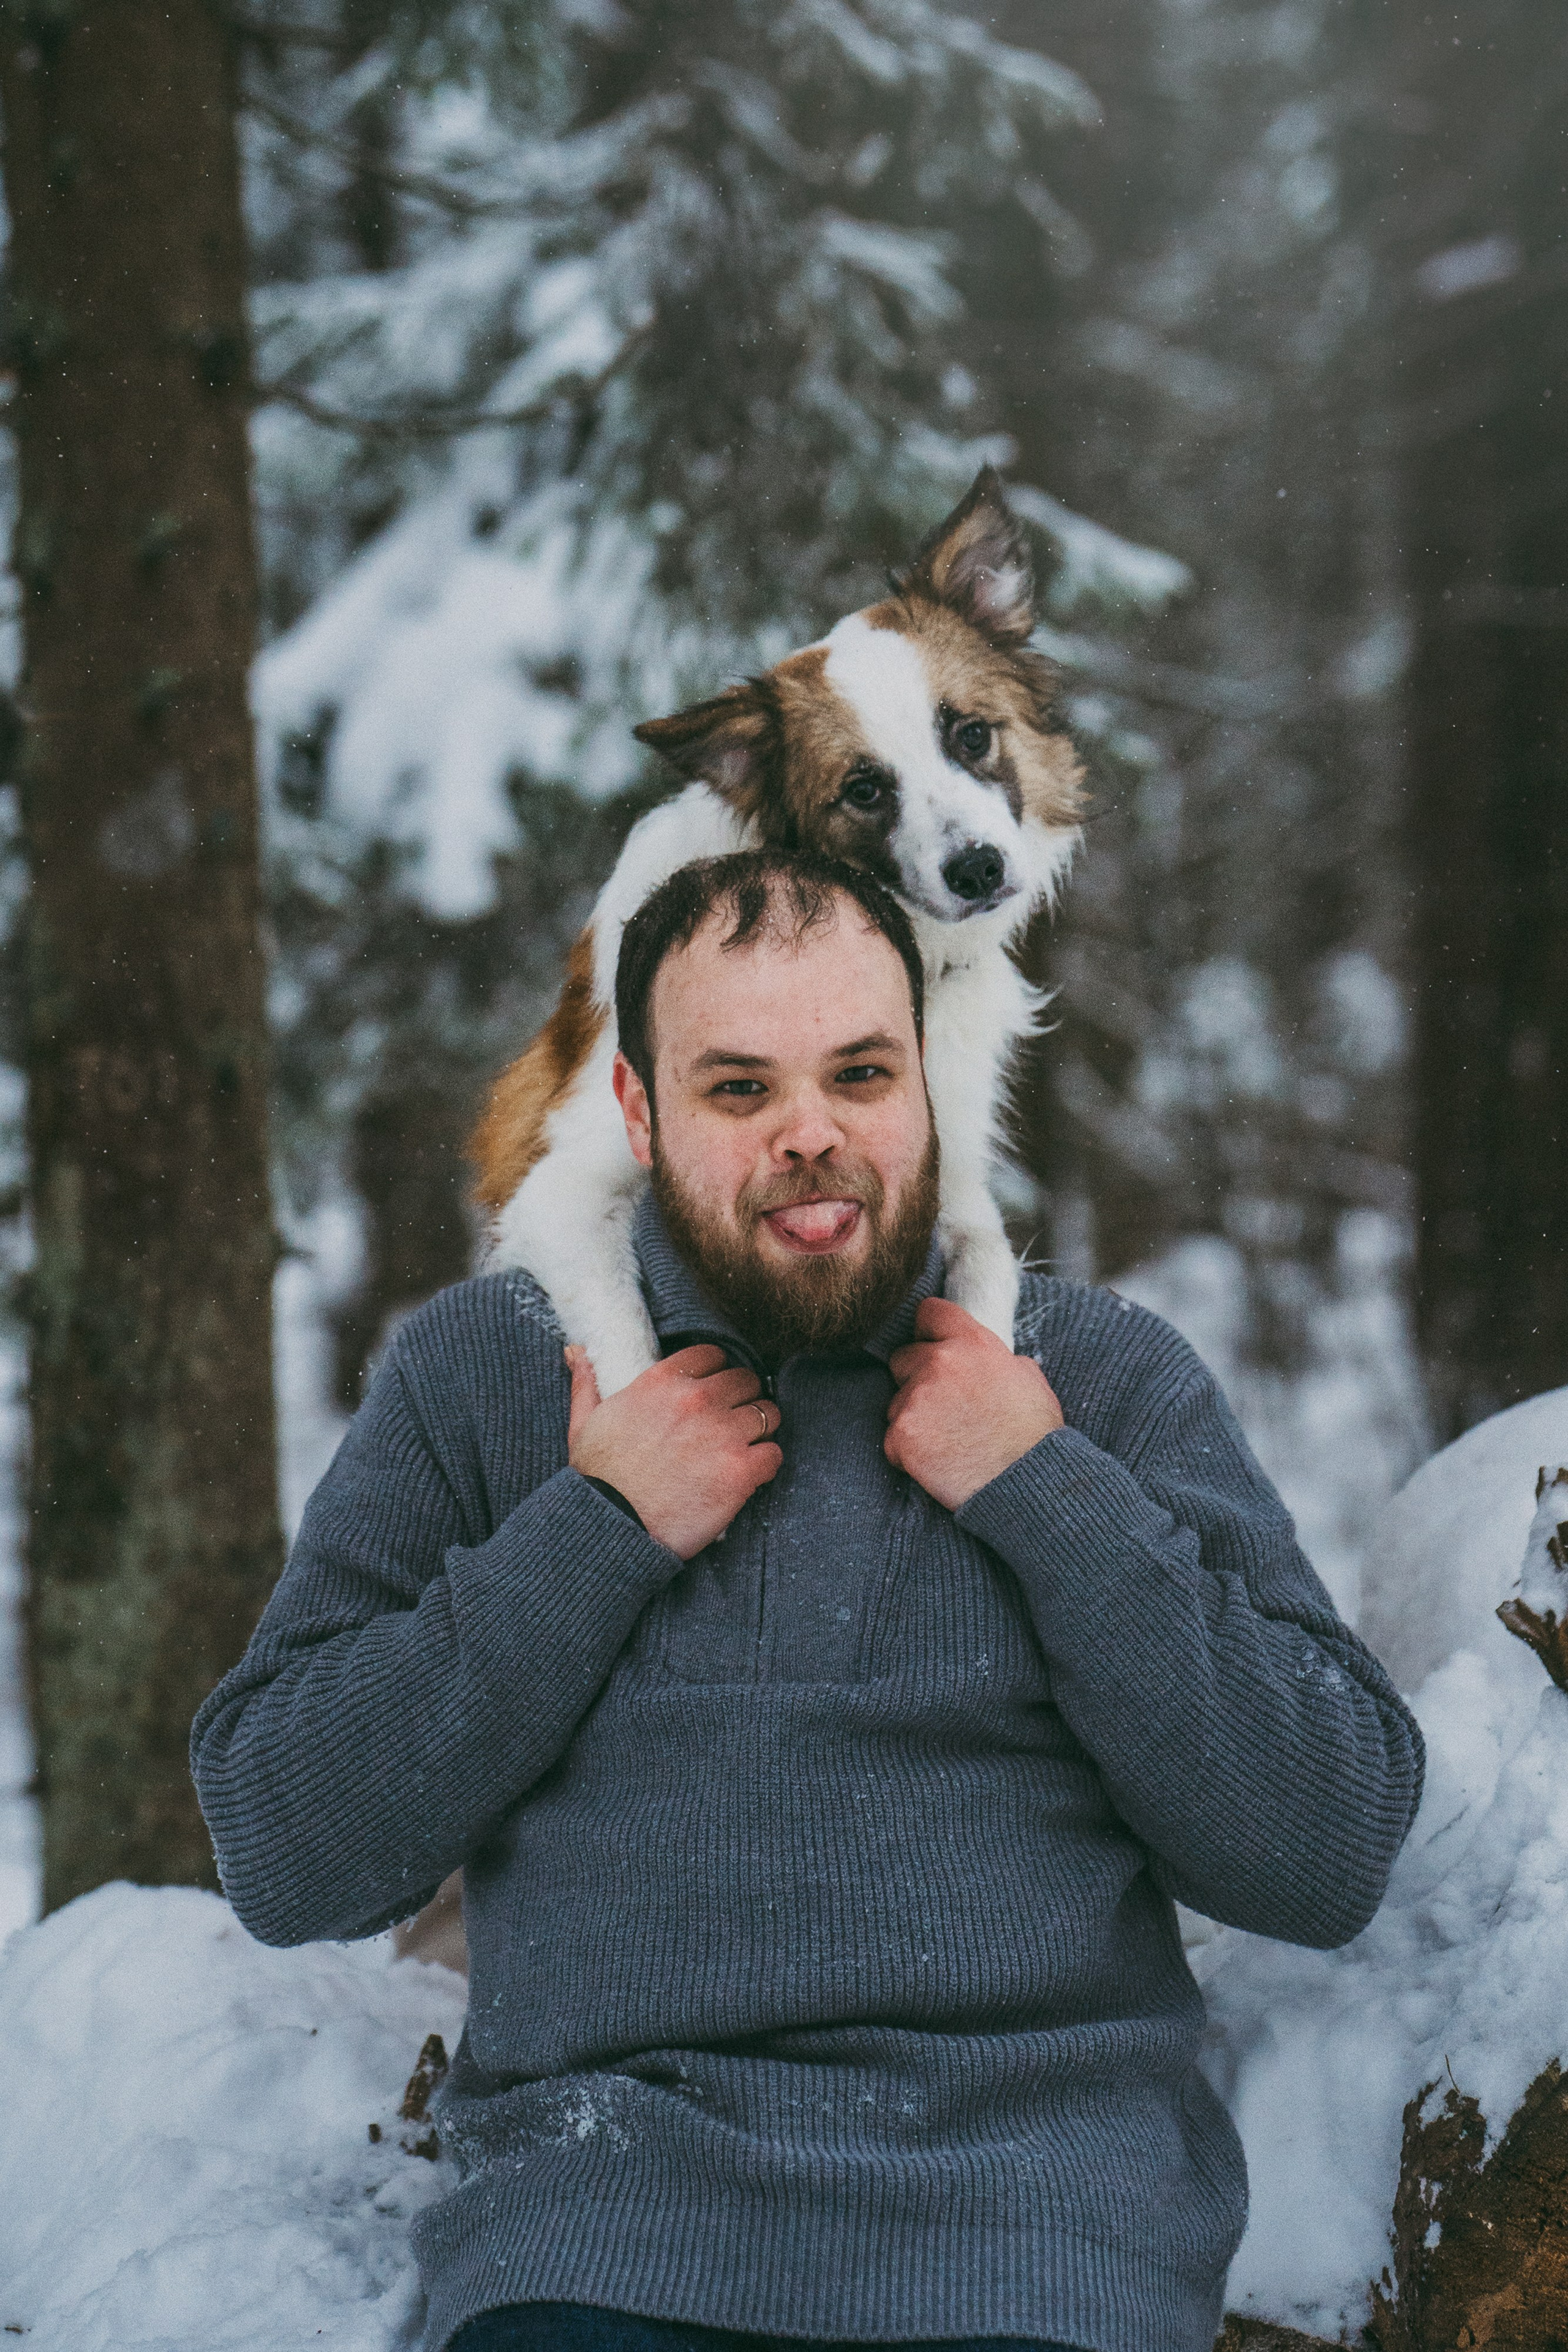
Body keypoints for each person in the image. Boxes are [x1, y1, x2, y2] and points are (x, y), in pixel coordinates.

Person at [191, 850, 1425, 2352]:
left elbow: (1324, 1846)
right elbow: (286, 1851)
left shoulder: (1093, 1379)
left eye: (859, 1073)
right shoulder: (488, 1374)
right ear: (638, 1110)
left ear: (927, 1081)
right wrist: (596, 1529)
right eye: (737, 1089)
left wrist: (1044, 1489)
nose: (811, 1135)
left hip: (1032, 2233)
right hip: (606, 2228)